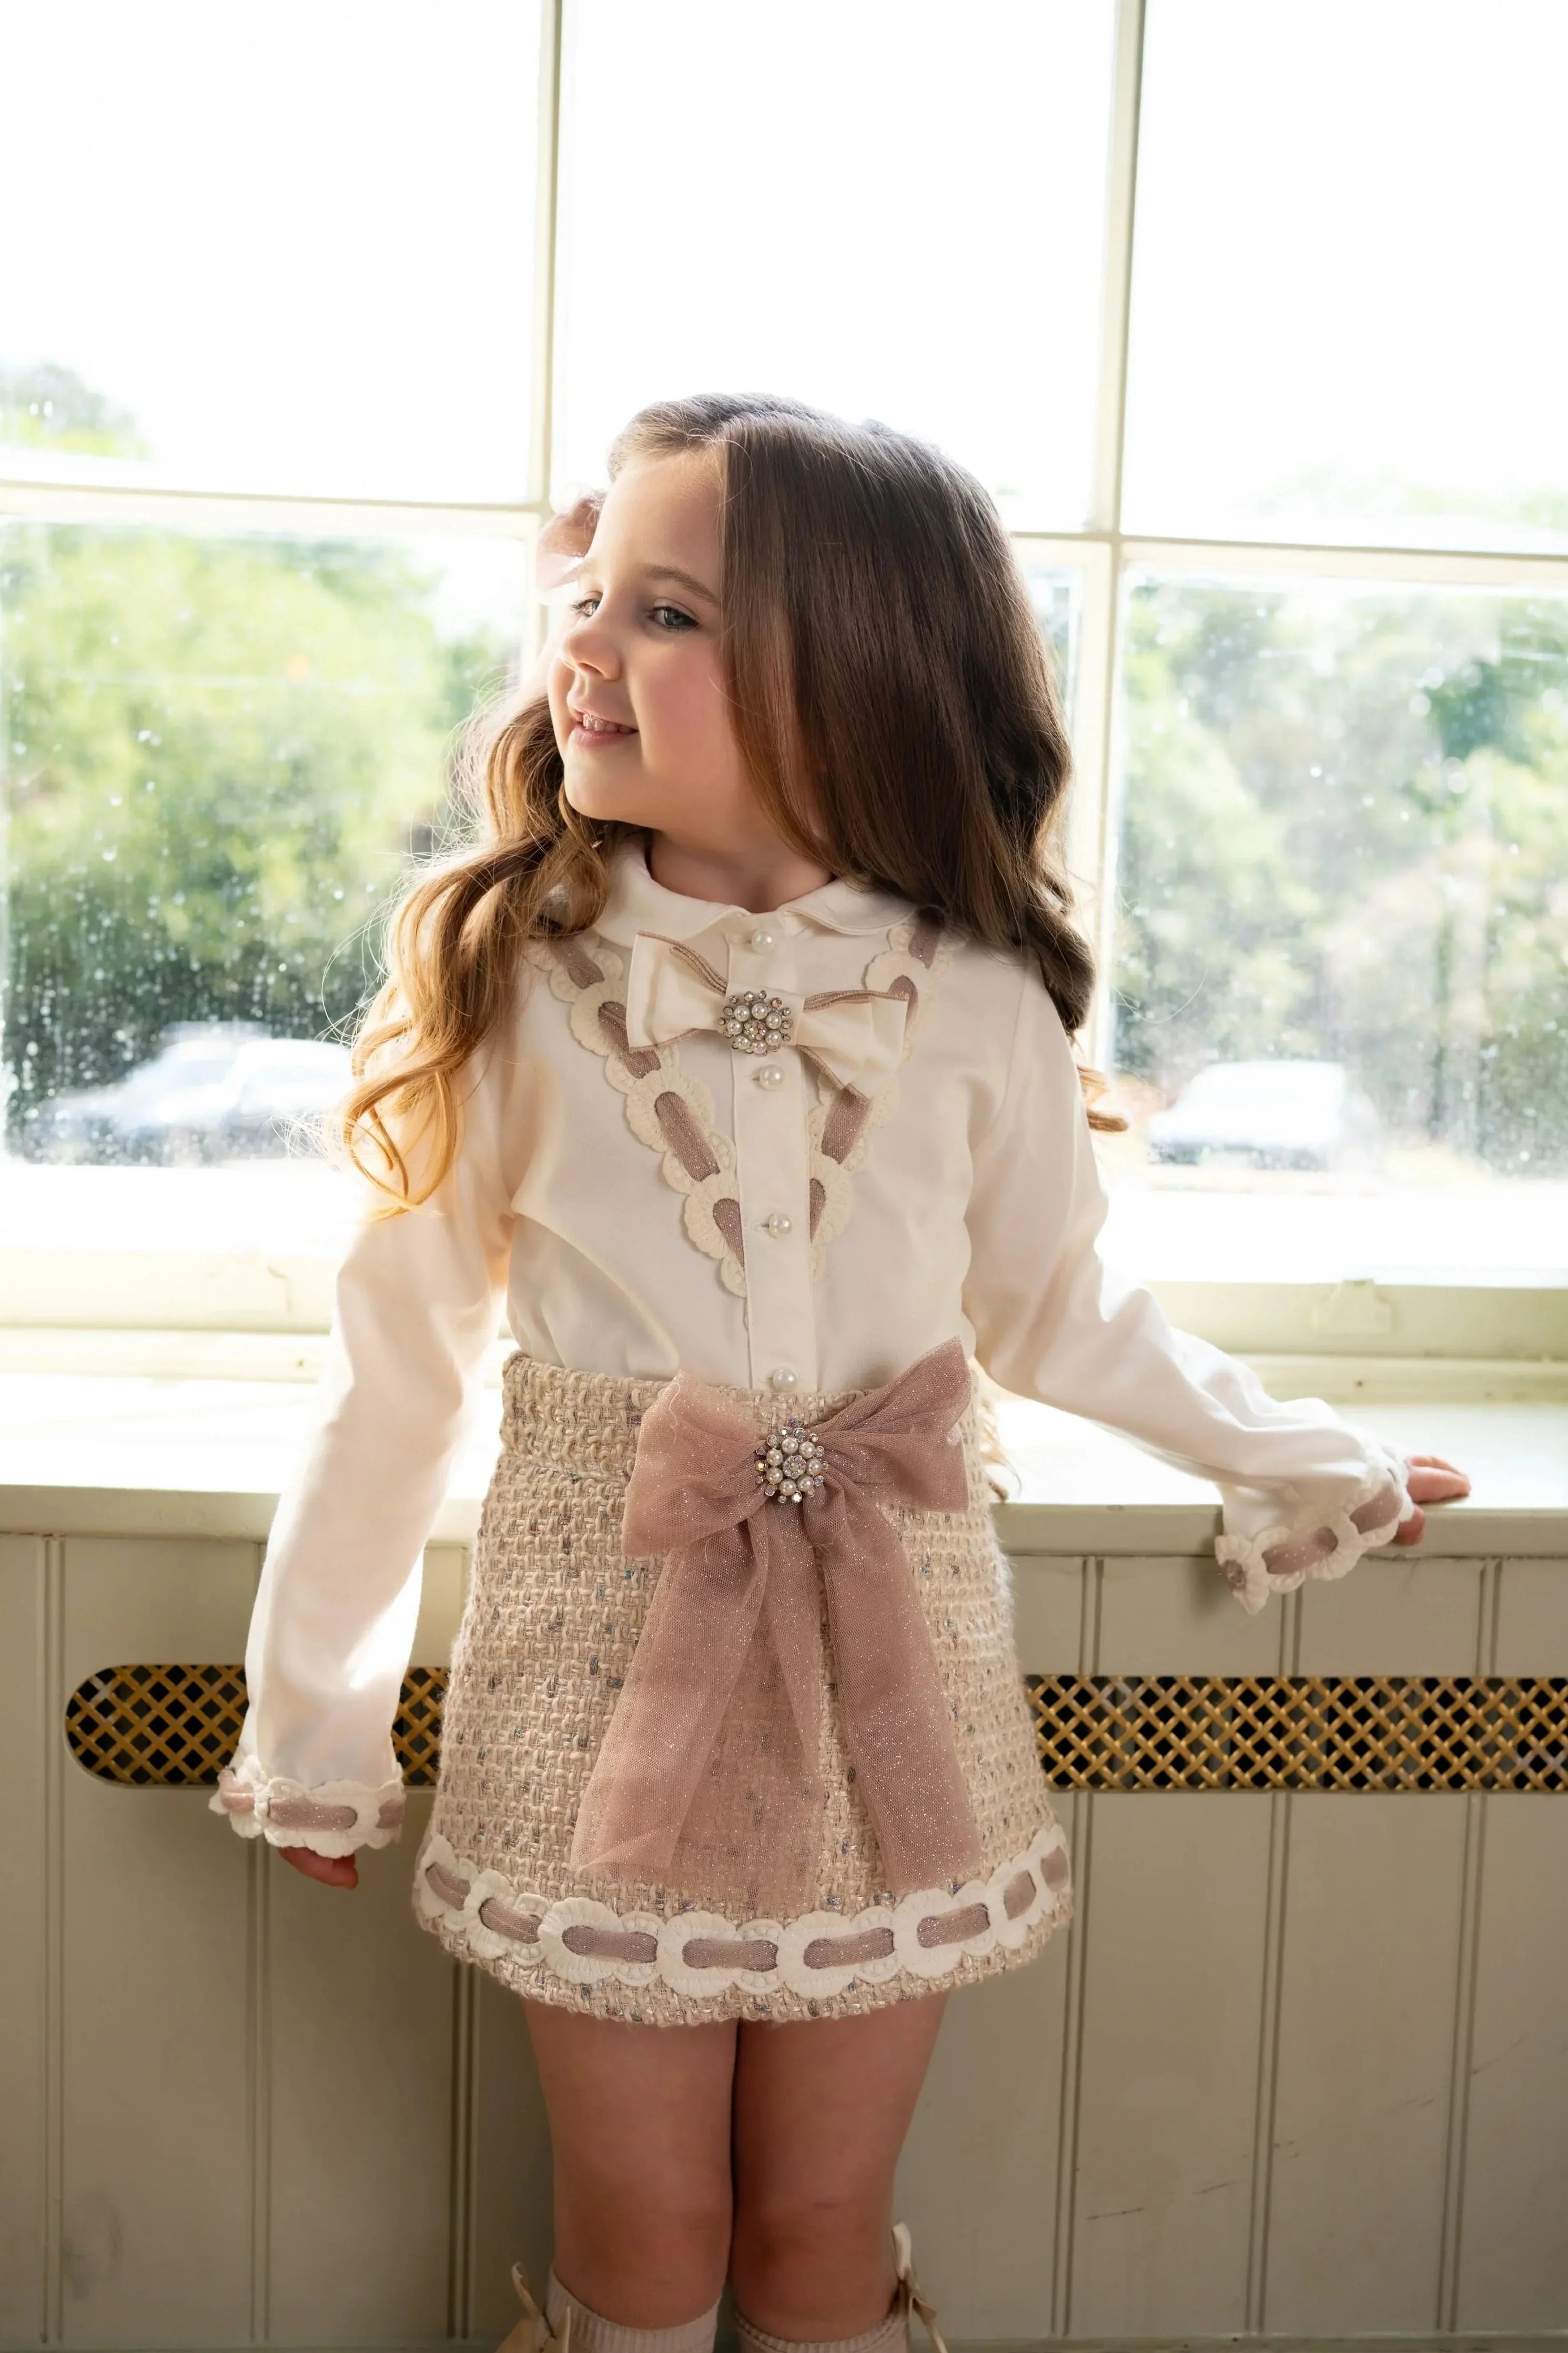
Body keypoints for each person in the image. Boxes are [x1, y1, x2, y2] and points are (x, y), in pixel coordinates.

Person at [209, 393, 1470, 2353]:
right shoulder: (509, 986)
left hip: (898, 1666)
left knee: (818, 2232)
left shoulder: (975, 997)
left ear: (851, 673)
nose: (590, 649)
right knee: (644, 2234)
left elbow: (1062, 1312)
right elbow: (395, 1378)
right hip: (595, 1669)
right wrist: (316, 1724)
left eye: (670, 612)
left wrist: (1306, 1456)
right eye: (589, 595)